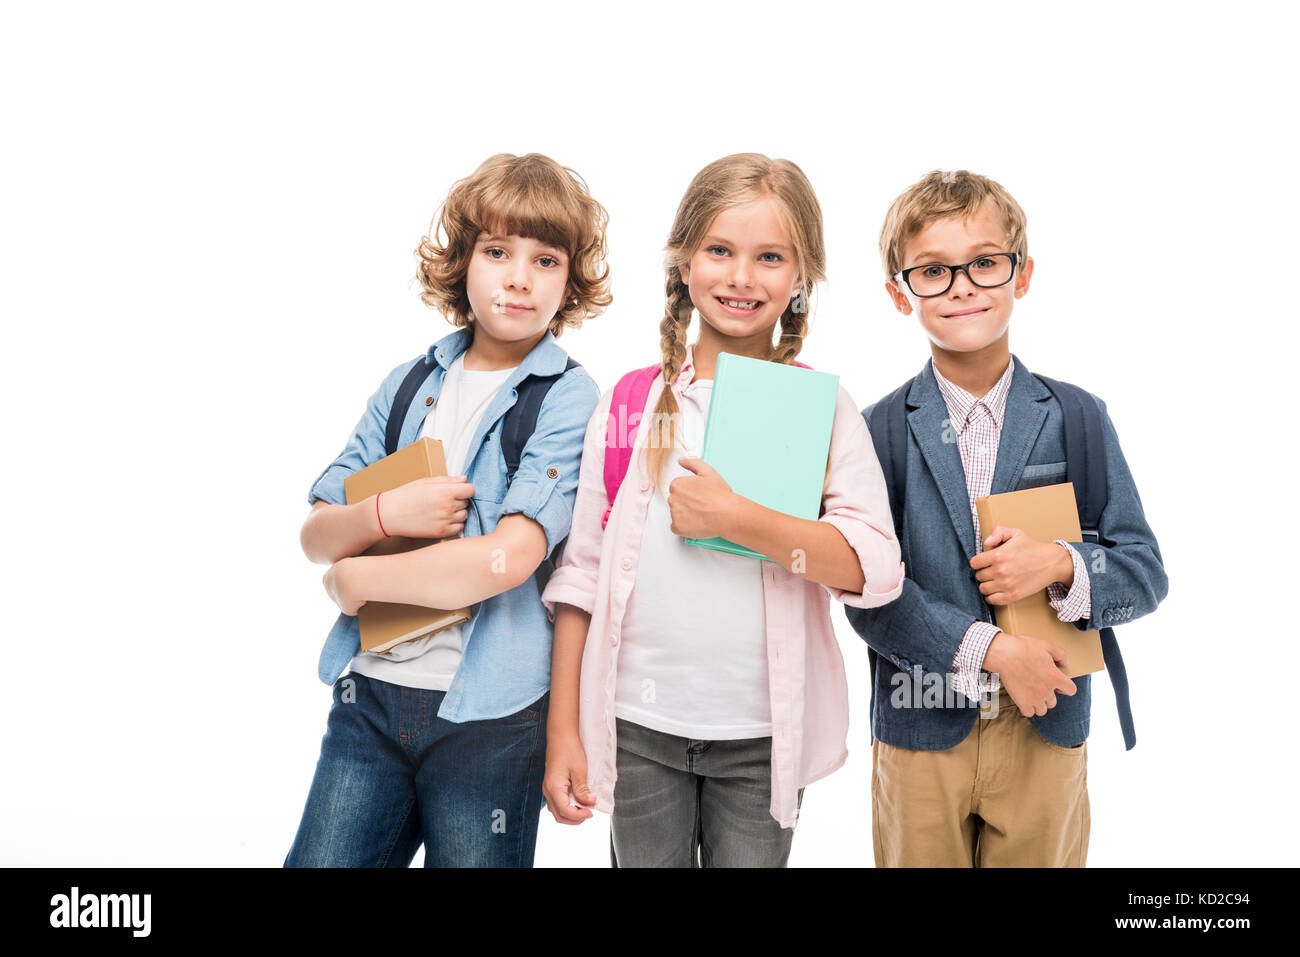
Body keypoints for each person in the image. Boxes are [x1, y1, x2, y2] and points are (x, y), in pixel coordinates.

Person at [541, 153, 904, 867]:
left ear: (800, 279)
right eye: (719, 251)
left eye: (770, 257)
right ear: (683, 262)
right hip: (636, 725)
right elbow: (580, 573)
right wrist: (564, 730)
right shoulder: (629, 404)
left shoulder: (820, 409)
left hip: (763, 738)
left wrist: (738, 518)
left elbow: (876, 570)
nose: (741, 277)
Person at [285, 153, 609, 867]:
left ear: (570, 279)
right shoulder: (408, 383)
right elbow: (317, 533)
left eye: (545, 259)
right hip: (368, 698)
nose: (519, 277)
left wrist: (359, 581)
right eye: (497, 251)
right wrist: (382, 513)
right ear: (464, 260)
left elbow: (510, 557)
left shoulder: (567, 397)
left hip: (491, 720)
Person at [845, 169, 1168, 867]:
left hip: (1048, 727)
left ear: (1021, 276)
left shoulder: (1079, 416)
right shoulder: (875, 431)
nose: (963, 285)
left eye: (985, 263)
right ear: (900, 293)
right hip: (919, 728)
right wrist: (990, 651)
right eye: (934, 270)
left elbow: (1144, 571)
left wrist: (1061, 562)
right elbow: (868, 593)